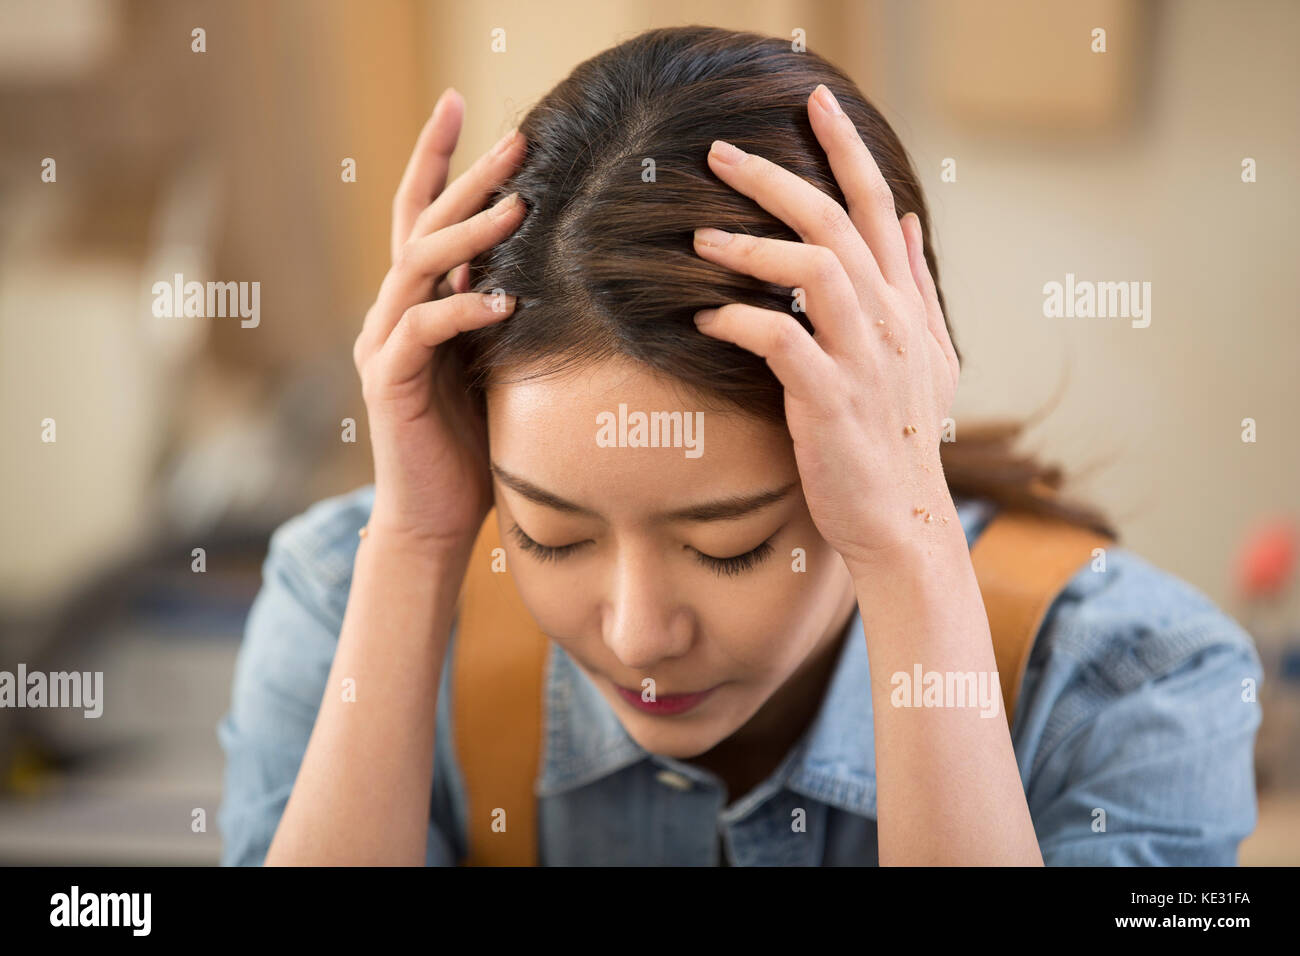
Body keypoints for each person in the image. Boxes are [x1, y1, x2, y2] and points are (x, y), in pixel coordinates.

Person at [216, 26, 1261, 866]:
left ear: (886, 408)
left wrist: (905, 546)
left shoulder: (1134, 686)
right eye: (548, 533)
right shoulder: (341, 595)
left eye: (730, 545)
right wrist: (415, 539)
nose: (638, 633)